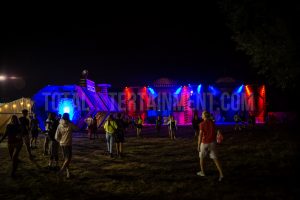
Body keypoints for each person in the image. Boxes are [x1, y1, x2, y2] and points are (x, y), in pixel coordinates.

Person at [197, 111, 224, 181]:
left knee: (202, 158)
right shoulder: (212, 123)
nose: (201, 115)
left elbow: (200, 135)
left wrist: (198, 144)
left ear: (204, 116)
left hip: (204, 143)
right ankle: (221, 174)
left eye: (202, 114)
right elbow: (216, 131)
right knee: (215, 159)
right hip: (213, 143)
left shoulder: (201, 124)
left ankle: (203, 172)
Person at [55, 113, 77, 178]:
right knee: (68, 159)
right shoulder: (70, 124)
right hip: (68, 144)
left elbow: (56, 136)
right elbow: (76, 128)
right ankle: (61, 171)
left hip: (62, 144)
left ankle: (68, 173)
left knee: (65, 159)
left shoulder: (59, 125)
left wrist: (60, 141)